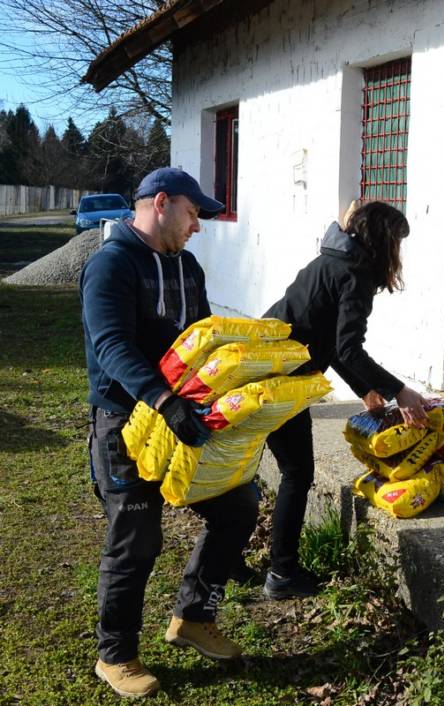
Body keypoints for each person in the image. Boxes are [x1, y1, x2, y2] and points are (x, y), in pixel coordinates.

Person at [80, 168, 259, 698]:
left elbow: (203, 338)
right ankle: (116, 655)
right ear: (161, 203)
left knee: (238, 507)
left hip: (186, 416)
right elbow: (112, 347)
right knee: (136, 538)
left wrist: (240, 384)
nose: (199, 225)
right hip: (127, 422)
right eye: (193, 213)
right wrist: (163, 400)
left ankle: (194, 617)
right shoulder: (110, 266)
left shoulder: (189, 267)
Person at [259, 201, 428, 599]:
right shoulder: (356, 274)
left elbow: (332, 345)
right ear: (384, 242)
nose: (398, 255)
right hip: (283, 379)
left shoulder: (333, 260)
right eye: (397, 244)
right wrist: (398, 389)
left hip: (265, 366)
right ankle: (282, 574)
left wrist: (364, 389)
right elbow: (349, 349)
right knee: (297, 474)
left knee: (259, 468)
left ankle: (235, 562)